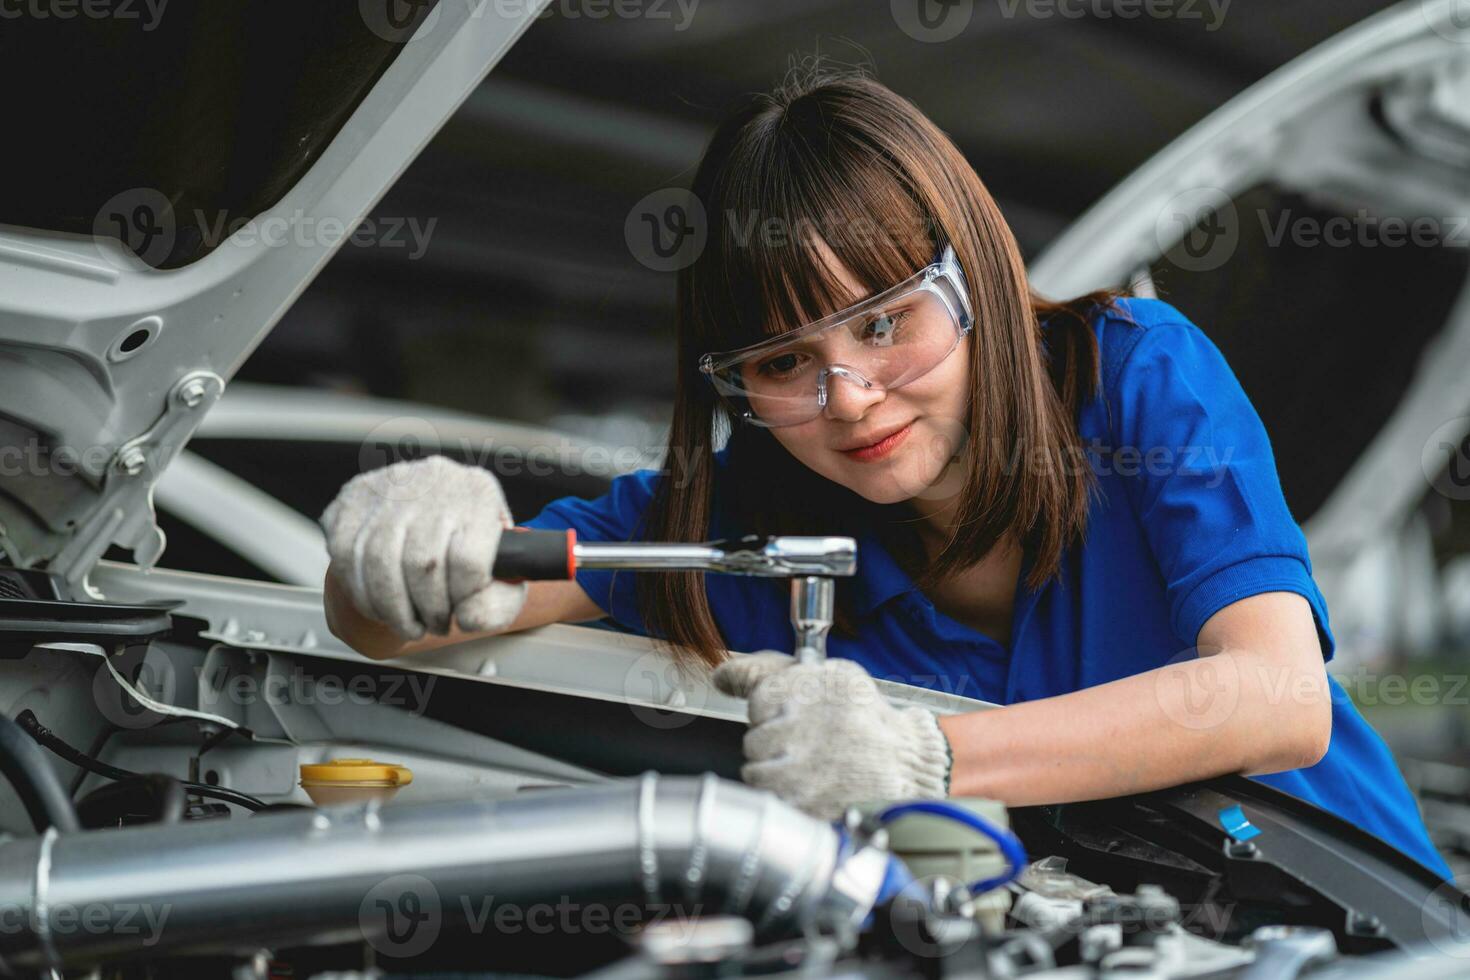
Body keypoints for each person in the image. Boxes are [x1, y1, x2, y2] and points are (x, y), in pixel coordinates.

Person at [319, 67, 1451, 879]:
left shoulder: (1137, 378)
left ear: (977, 278)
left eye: (884, 323)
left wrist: (930, 754)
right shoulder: (742, 516)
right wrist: (409, 537)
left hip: (1370, 921)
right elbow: (418, 620)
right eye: (782, 360)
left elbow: (1277, 697)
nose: (848, 399)